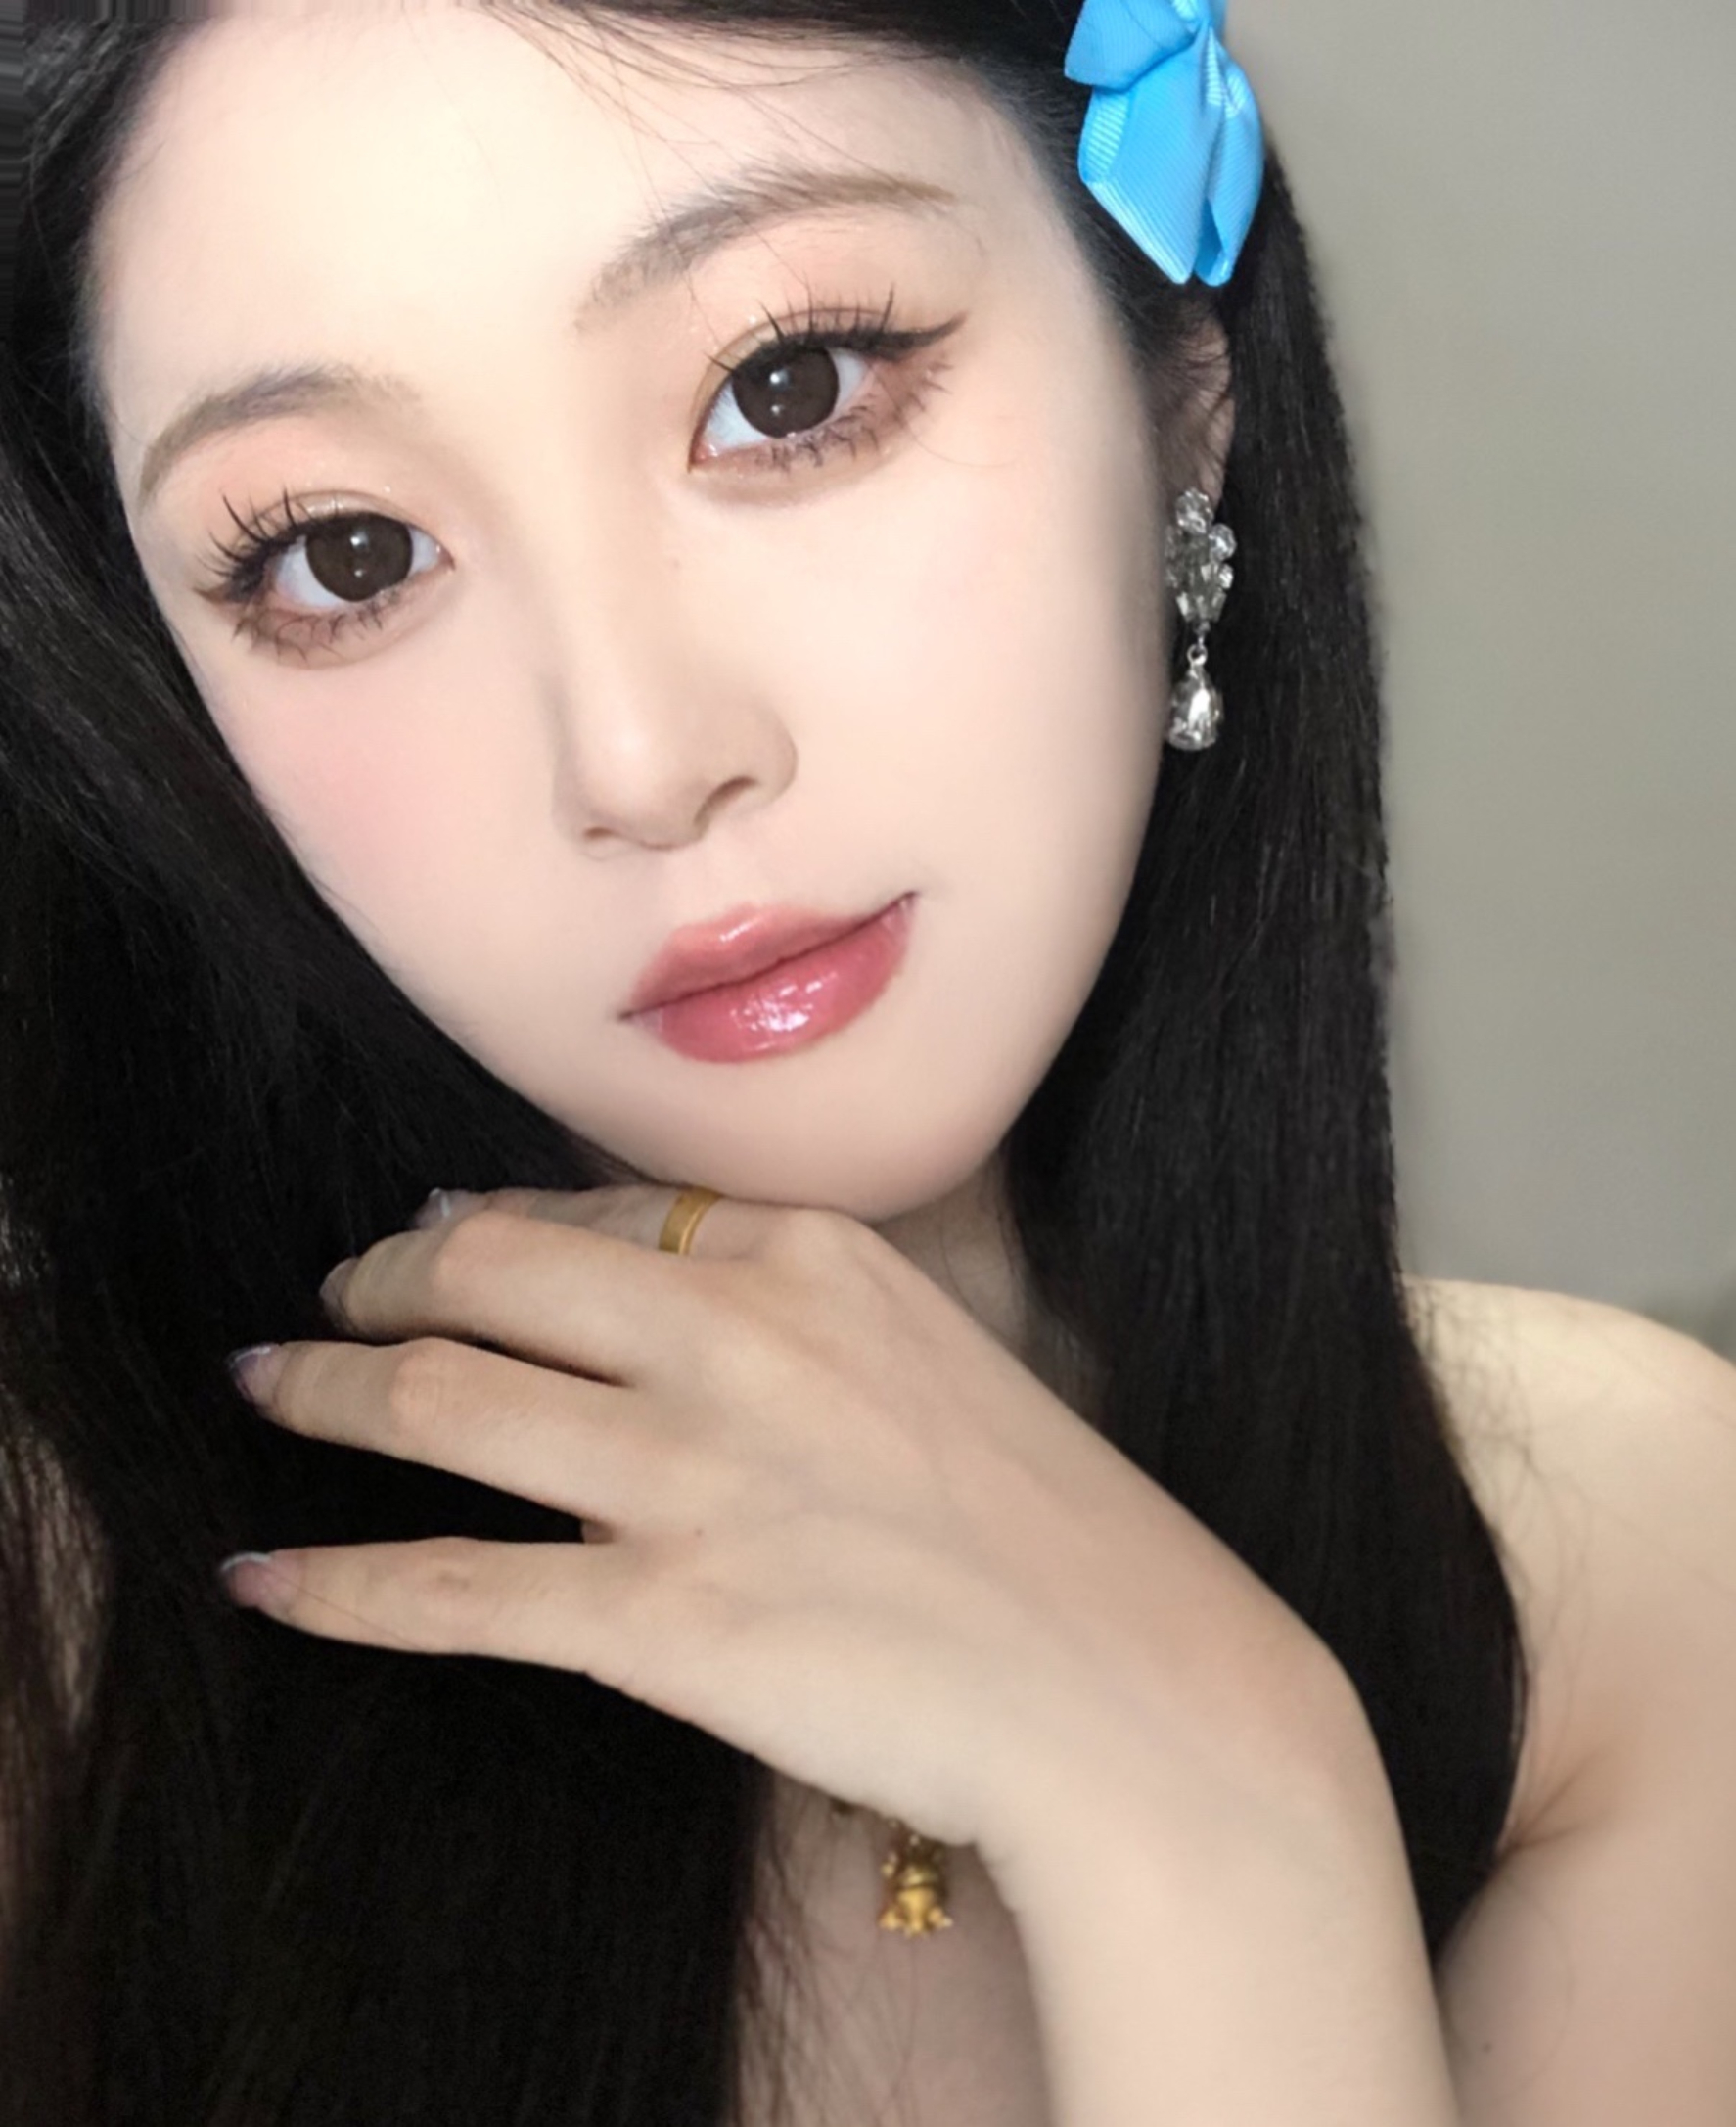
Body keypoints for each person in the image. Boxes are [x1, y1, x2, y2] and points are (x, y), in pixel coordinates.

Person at [2, 4, 1734, 2124]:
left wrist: (1216, 1824)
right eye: (342, 554)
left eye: (788, 386)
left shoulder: (1620, 1573)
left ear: (1182, 403)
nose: (642, 754)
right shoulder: (59, 1620)